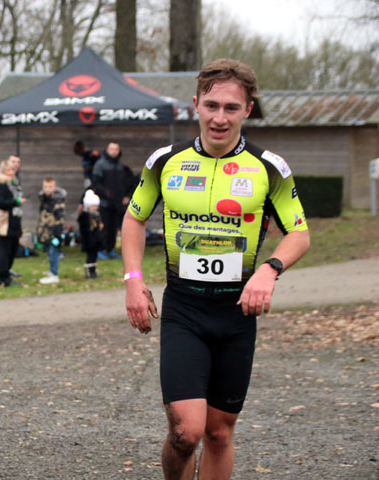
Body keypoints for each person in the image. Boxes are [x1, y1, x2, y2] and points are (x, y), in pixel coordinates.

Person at [122, 58, 310, 480]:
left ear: (248, 109)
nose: (219, 117)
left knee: (219, 434)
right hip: (184, 309)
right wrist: (134, 280)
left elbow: (299, 233)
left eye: (230, 107)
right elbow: (133, 219)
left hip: (236, 313)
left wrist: (269, 270)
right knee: (187, 433)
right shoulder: (165, 161)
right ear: (195, 106)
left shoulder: (268, 168)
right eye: (211, 105)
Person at [0, 159, 26, 286]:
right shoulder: (1, 185)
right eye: (8, 170)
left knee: (13, 248)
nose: (11, 172)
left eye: (12, 170)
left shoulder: (14, 184)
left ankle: (6, 273)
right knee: (3, 249)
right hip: (5, 222)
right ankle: (2, 276)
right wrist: (17, 202)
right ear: (3, 171)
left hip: (15, 220)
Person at [91, 140, 129, 260]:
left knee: (114, 228)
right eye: (112, 149)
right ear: (107, 150)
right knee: (104, 227)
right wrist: (106, 194)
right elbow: (96, 184)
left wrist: (125, 196)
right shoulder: (100, 164)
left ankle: (110, 250)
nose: (114, 151)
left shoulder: (120, 165)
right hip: (104, 203)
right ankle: (101, 250)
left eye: (116, 149)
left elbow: (124, 183)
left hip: (117, 203)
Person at [36, 177, 66, 284]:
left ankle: (54, 274)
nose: (47, 189)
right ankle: (52, 270)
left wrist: (57, 234)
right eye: (45, 187)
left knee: (54, 252)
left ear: (55, 187)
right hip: (47, 231)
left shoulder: (57, 201)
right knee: (49, 251)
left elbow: (60, 218)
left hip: (55, 231)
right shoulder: (45, 199)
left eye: (50, 187)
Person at [77, 189, 103, 279]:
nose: (94, 208)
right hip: (89, 241)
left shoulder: (97, 215)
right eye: (92, 206)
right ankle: (89, 271)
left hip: (95, 241)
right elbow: (84, 229)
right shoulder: (85, 217)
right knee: (90, 257)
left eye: (95, 206)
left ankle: (93, 270)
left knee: (94, 256)